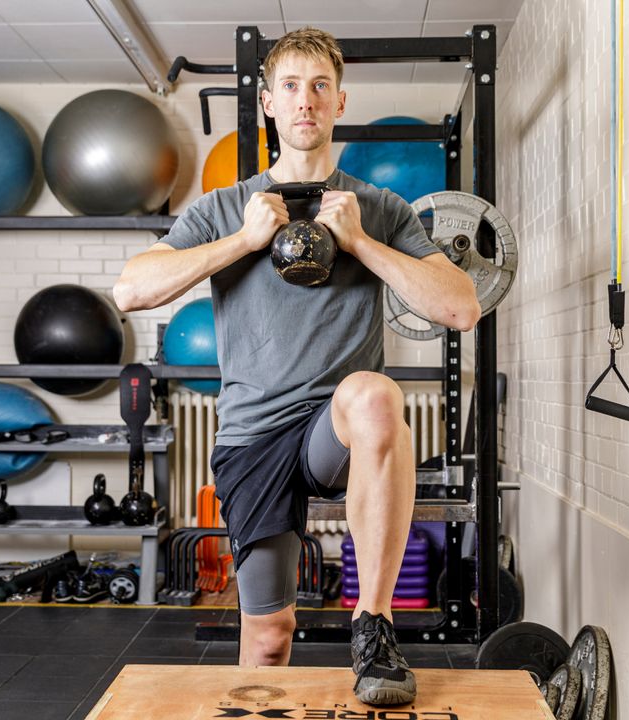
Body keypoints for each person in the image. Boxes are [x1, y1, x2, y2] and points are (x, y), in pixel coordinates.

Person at [113, 27, 480, 706]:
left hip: (331, 429)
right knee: (268, 639)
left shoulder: (379, 208)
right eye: (290, 86)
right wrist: (245, 240)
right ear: (268, 105)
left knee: (373, 395)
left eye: (318, 87)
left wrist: (362, 242)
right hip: (253, 436)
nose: (304, 100)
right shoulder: (226, 207)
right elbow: (131, 290)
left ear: (340, 102)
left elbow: (461, 308)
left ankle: (374, 626)